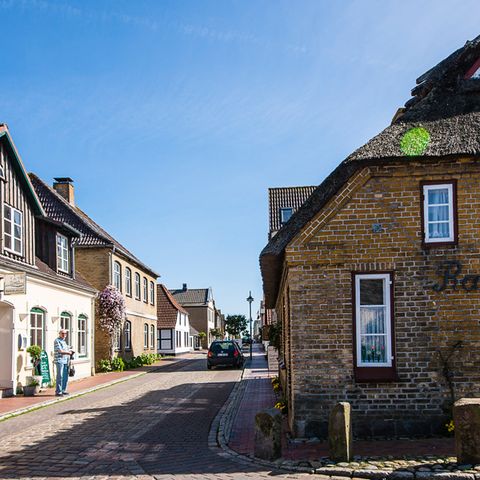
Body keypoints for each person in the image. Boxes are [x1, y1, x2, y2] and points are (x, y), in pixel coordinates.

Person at [54, 329, 73, 396]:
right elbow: (60, 351)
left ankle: (63, 390)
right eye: (62, 333)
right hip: (59, 360)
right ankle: (58, 391)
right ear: (59, 333)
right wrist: (68, 352)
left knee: (65, 376)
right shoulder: (57, 341)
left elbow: (67, 349)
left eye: (65, 333)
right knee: (60, 376)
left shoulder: (64, 342)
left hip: (66, 360)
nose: (64, 335)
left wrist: (71, 350)